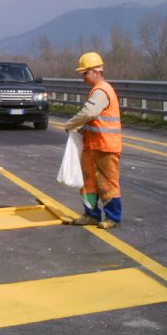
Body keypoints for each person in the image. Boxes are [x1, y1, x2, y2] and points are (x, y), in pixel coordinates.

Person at [64, 52, 123, 230]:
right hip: (92, 145)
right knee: (88, 182)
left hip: (105, 145)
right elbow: (93, 120)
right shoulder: (97, 90)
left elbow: (89, 112)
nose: (83, 77)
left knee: (107, 183)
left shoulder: (102, 91)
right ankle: (91, 215)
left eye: (85, 73)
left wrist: (70, 123)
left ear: (96, 71)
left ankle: (113, 218)